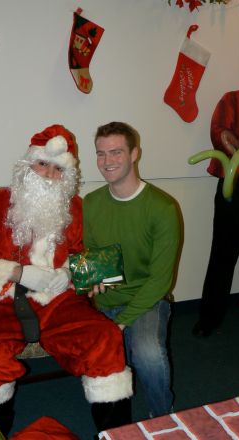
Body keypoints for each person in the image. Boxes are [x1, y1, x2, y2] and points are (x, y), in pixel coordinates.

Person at [0, 124, 133, 437]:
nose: (49, 175)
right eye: (42, 164)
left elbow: (88, 257)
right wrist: (17, 273)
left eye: (58, 168)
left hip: (60, 300)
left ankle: (116, 433)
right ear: (27, 165)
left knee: (104, 339)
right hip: (1, 302)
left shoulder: (76, 208)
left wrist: (69, 274)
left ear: (68, 176)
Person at [83, 121, 181, 418]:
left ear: (135, 153)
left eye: (116, 152)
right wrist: (91, 280)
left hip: (148, 299)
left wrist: (122, 323)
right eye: (101, 154)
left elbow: (160, 281)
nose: (107, 162)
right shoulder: (91, 203)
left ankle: (162, 417)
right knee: (89, 352)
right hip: (105, 301)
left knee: (147, 354)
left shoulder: (163, 207)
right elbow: (92, 256)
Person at [193, 90, 239, 337]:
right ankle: (209, 318)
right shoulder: (232, 100)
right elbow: (219, 132)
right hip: (234, 187)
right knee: (223, 255)